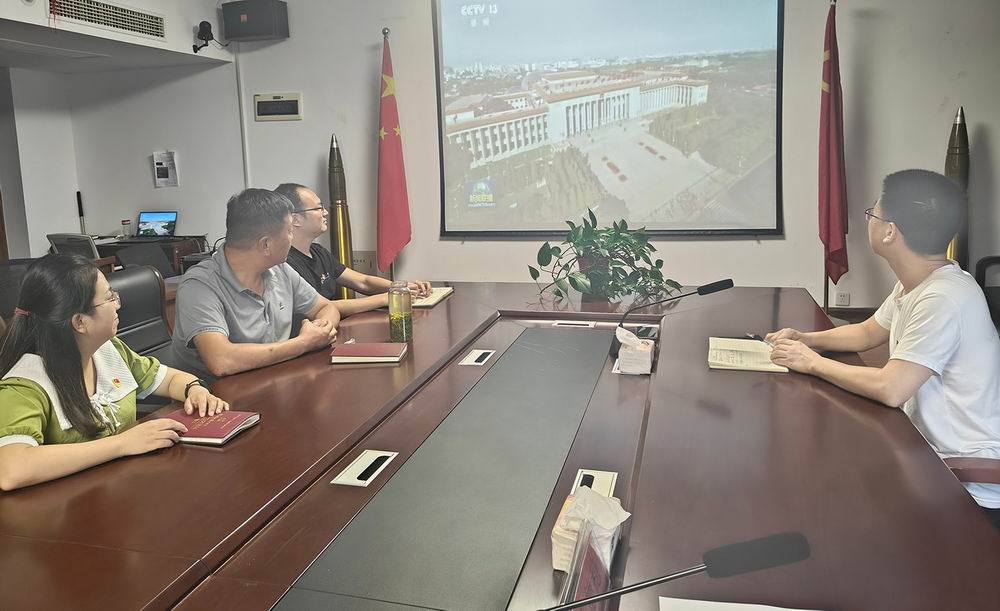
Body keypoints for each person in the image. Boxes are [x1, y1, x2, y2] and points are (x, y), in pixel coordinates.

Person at [766, 169, 1000, 524]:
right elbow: (867, 332)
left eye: (871, 214)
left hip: (965, 481)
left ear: (890, 231)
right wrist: (806, 339)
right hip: (927, 452)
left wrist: (811, 362)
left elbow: (892, 388)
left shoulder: (944, 297)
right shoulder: (921, 282)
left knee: (823, 491)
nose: (868, 221)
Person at [0, 254, 229, 491]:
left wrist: (195, 390)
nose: (118, 304)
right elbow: (11, 470)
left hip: (120, 488)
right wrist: (121, 444)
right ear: (80, 322)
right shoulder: (24, 385)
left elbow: (170, 379)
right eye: (109, 297)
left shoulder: (109, 351)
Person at [171, 188, 343, 379]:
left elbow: (326, 307)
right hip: (217, 394)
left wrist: (321, 329)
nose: (292, 238)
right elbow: (221, 361)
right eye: (289, 232)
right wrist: (304, 343)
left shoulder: (279, 270)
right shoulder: (199, 286)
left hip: (274, 379)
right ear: (265, 244)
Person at [274, 182, 432, 317]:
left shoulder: (318, 251)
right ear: (295, 219)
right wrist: (386, 298)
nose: (325, 213)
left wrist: (400, 287)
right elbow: (323, 307)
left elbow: (363, 282)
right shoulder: (284, 262)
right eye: (318, 208)